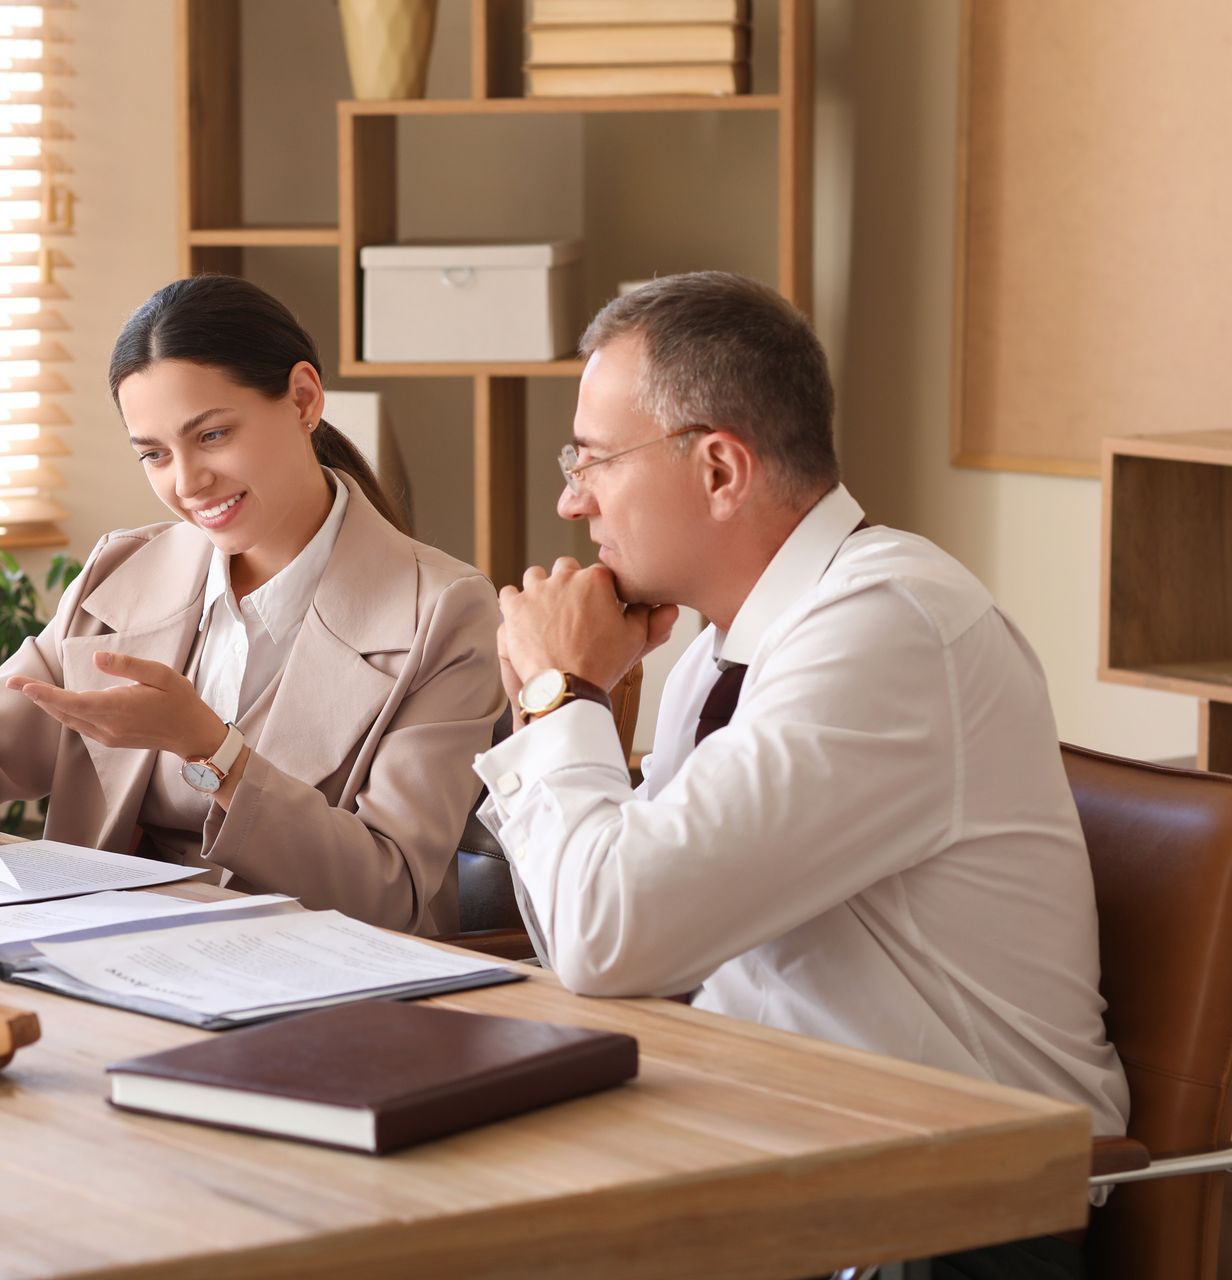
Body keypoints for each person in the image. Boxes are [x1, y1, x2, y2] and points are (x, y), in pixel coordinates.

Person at [478, 271, 1126, 1278]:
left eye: (594, 458)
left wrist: (565, 693)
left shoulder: (886, 631)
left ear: (722, 468)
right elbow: (599, 940)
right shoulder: (721, 644)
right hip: (784, 1149)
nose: (572, 499)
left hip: (955, 1216)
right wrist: (568, 703)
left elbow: (613, 937)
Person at [0, 275, 504, 935]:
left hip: (313, 988)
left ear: (303, 399)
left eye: (212, 436)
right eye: (154, 454)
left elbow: (393, 891)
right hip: (101, 959)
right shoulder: (122, 570)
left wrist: (210, 750)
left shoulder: (446, 614)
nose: (187, 483)